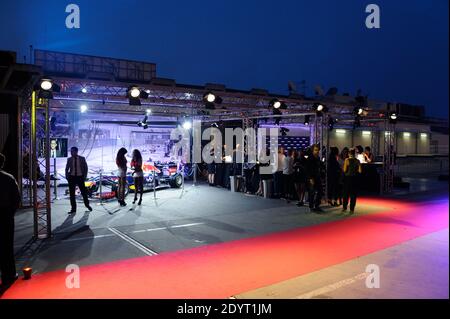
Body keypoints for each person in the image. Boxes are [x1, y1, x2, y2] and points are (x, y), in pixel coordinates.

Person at [0, 153, 21, 292]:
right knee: (7, 247)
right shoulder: (8, 178)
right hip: (5, 216)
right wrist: (10, 213)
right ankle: (9, 275)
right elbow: (16, 199)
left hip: (5, 214)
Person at [65, 147, 92, 214]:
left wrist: (84, 177)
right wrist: (67, 177)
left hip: (80, 177)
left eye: (72, 151)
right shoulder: (69, 159)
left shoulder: (82, 159)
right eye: (70, 151)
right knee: (72, 194)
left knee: (84, 193)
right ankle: (73, 209)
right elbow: (66, 168)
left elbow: (86, 168)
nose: (71, 153)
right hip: (72, 177)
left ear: (76, 152)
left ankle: (87, 205)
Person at [342, 148, 362, 214]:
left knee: (346, 194)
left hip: (348, 178)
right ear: (354, 154)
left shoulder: (346, 160)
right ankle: (352, 209)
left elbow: (344, 170)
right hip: (355, 179)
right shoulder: (357, 161)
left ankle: (344, 207)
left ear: (348, 153)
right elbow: (360, 171)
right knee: (353, 194)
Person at [305, 144, 324, 213]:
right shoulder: (310, 158)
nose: (317, 151)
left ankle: (317, 205)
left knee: (320, 191)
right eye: (316, 150)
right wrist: (310, 178)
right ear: (312, 150)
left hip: (317, 176)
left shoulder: (318, 158)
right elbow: (307, 169)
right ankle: (311, 207)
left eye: (318, 150)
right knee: (312, 192)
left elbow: (318, 167)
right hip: (311, 177)